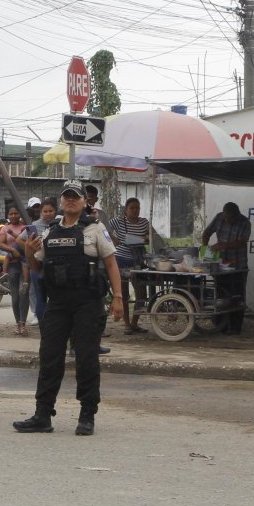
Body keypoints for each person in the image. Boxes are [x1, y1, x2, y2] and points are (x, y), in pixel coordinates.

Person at [13, 179, 123, 436]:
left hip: (87, 302)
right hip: (58, 303)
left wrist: (118, 297)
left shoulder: (95, 229)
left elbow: (110, 263)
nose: (70, 200)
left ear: (85, 202)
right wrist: (29, 253)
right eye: (66, 196)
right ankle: (43, 414)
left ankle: (87, 415)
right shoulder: (50, 231)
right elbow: (38, 267)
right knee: (49, 356)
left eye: (75, 196)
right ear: (61, 202)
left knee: (86, 358)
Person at [201, 201, 251, 334]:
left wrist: (224, 245)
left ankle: (235, 327)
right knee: (221, 294)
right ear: (224, 214)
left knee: (237, 296)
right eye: (227, 218)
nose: (229, 221)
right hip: (221, 265)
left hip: (238, 265)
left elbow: (242, 241)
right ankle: (220, 325)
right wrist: (206, 249)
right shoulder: (218, 218)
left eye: (232, 219)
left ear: (237, 215)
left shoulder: (245, 222)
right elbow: (207, 232)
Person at [108, 197, 152, 334]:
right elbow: (103, 229)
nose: (135, 210)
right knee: (123, 294)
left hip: (137, 261)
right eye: (132, 208)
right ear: (126, 210)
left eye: (137, 208)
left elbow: (152, 236)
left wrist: (145, 238)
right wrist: (113, 239)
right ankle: (127, 325)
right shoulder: (119, 221)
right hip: (120, 260)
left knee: (141, 293)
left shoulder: (144, 222)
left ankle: (134, 323)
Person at [19, 197, 57, 324]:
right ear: (41, 212)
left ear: (55, 211)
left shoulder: (61, 223)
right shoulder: (34, 226)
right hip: (38, 264)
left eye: (50, 211)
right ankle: (40, 319)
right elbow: (20, 239)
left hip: (56, 266)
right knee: (40, 295)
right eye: (45, 211)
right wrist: (30, 249)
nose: (48, 214)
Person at [0, 203, 30, 335]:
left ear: (20, 214)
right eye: (11, 214)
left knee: (24, 294)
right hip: (12, 266)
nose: (14, 216)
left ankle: (23, 324)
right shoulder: (5, 228)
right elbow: (0, 244)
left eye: (16, 213)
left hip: (25, 264)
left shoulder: (25, 227)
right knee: (15, 297)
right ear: (7, 215)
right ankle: (17, 323)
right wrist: (12, 250)